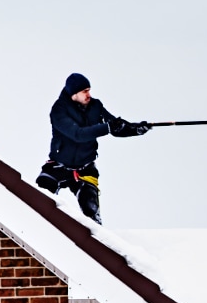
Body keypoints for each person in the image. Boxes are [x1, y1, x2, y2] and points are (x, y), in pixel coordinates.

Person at [35, 72, 151, 224]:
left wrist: (135, 129)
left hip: (85, 169)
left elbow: (114, 127)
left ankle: (96, 238)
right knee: (37, 201)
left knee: (91, 214)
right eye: (85, 91)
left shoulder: (96, 106)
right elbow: (78, 134)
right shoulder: (59, 110)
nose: (89, 94)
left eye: (89, 90)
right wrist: (108, 127)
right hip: (57, 167)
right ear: (74, 93)